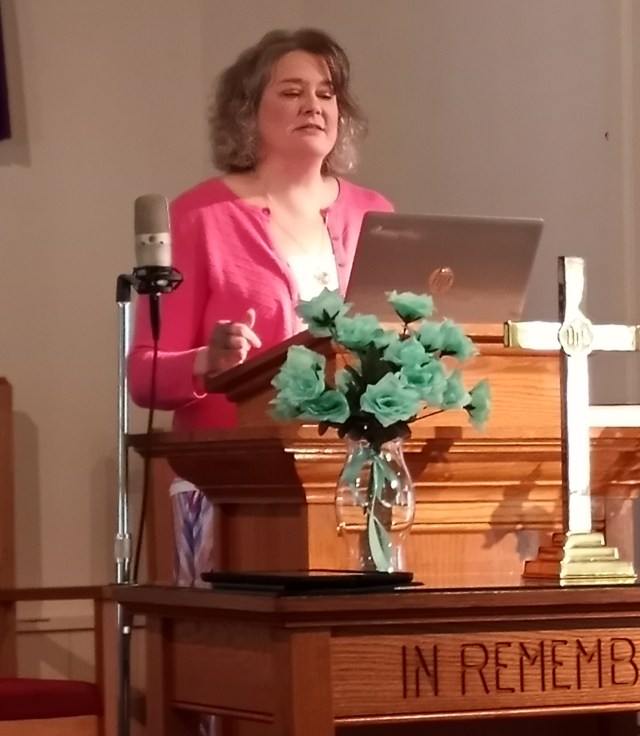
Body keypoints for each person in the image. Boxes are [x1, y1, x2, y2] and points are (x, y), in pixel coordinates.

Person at [128, 27, 393, 588]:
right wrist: (206, 361)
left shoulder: (375, 214)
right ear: (247, 113)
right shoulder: (199, 217)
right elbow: (144, 376)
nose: (313, 105)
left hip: (349, 479)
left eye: (326, 93)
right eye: (291, 91)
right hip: (232, 484)